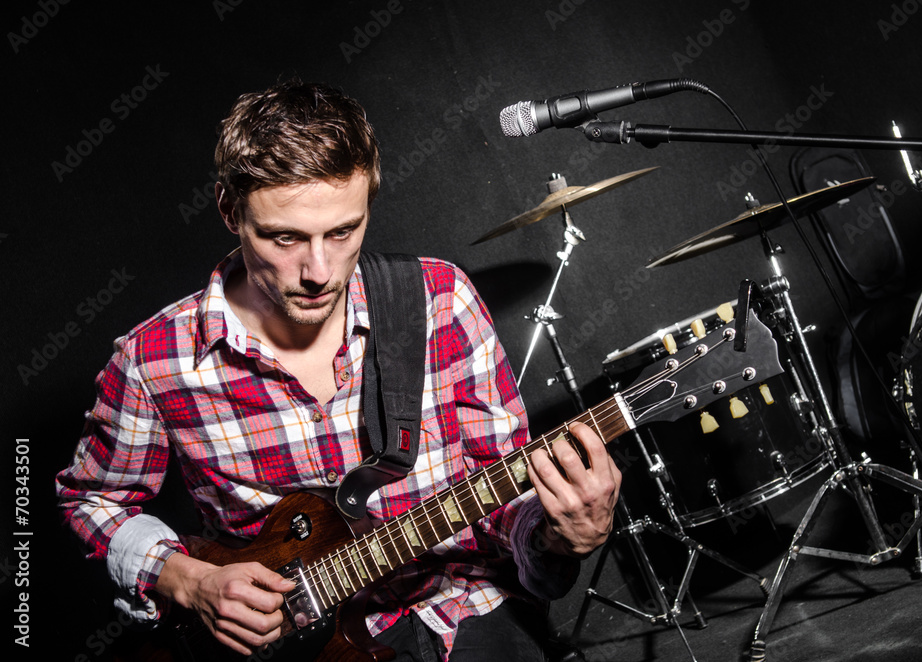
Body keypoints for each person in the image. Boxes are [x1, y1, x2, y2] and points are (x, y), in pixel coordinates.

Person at [55, 79, 621, 661]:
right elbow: (90, 502)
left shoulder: (440, 301)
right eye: (285, 238)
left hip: (460, 602)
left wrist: (557, 535)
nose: (319, 271)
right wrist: (187, 580)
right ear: (229, 210)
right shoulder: (153, 360)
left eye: (343, 231)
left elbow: (501, 497)